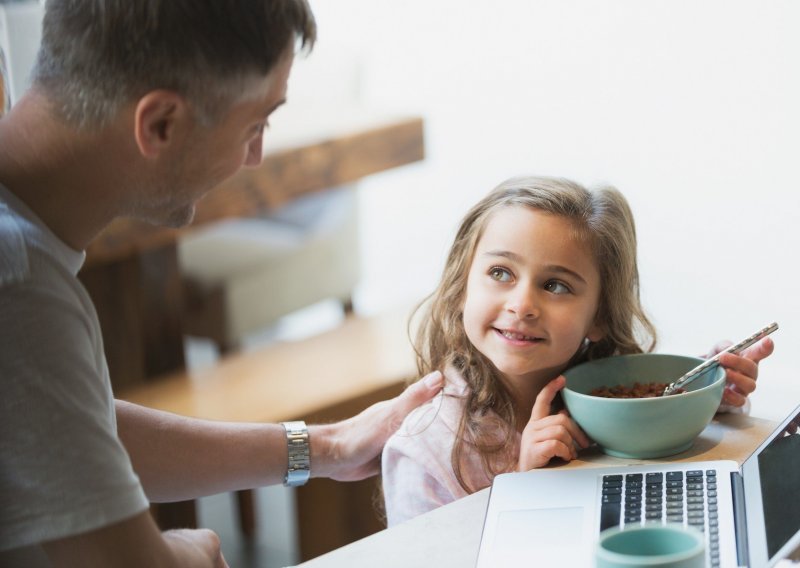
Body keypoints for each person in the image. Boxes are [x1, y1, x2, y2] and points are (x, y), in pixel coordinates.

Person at [0, 1, 445, 566]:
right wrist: (190, 549)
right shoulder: (19, 287)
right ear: (160, 124)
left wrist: (328, 447)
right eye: (255, 124)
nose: (255, 156)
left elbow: (77, 429)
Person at [381, 176, 775, 526]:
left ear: (599, 316)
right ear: (460, 288)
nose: (522, 305)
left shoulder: (611, 393)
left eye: (555, 285)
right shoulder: (423, 452)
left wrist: (711, 397)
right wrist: (524, 488)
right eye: (500, 273)